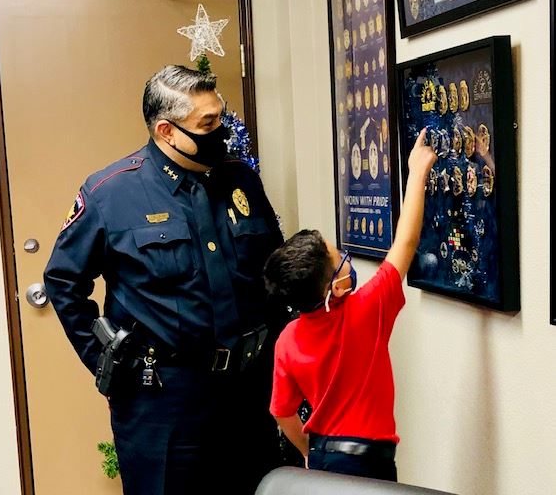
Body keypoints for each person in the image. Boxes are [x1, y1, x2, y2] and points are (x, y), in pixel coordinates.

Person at [44, 64, 287, 495]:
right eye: (208, 124)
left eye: (221, 116)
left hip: (248, 393)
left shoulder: (242, 179)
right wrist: (109, 364)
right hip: (162, 401)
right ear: (167, 131)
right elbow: (63, 281)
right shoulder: (110, 192)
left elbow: (273, 268)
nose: (222, 132)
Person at [263, 127, 437, 481]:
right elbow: (406, 241)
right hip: (370, 461)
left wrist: (307, 452)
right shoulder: (367, 308)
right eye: (338, 257)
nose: (345, 257)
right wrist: (417, 171)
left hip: (325, 456)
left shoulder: (288, 340)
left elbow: (282, 412)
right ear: (335, 288)